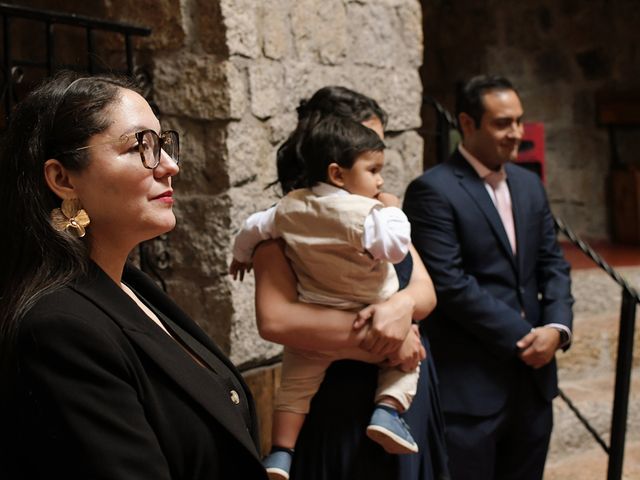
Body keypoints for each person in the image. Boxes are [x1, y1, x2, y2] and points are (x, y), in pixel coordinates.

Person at [0, 71, 267, 479]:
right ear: (63, 179)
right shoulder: (60, 327)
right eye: (140, 147)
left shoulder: (133, 286)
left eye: (163, 145)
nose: (171, 166)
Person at [252, 86, 451, 480]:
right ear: (332, 161)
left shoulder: (379, 217)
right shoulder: (290, 223)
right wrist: (388, 337)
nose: (378, 175)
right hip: (341, 395)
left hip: (403, 390)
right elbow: (276, 321)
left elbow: (425, 290)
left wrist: (401, 307)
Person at [403, 75, 573, 480]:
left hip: (534, 383)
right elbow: (449, 283)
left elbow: (553, 264)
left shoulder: (530, 185)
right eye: (502, 123)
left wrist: (556, 327)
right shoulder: (432, 190)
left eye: (518, 121)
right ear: (466, 123)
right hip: (472, 387)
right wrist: (526, 335)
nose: (516, 133)